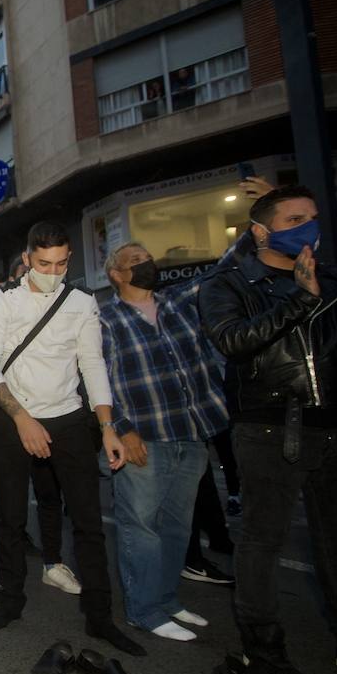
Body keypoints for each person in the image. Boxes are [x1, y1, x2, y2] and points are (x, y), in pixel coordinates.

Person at [200, 186, 337, 674]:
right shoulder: (229, 285)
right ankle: (263, 654)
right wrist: (301, 299)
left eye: (312, 217)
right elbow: (235, 343)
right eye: (294, 218)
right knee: (262, 541)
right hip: (268, 429)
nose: (308, 226)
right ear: (262, 231)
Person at [0, 221, 143, 655]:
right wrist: (23, 418)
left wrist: (107, 427)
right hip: (14, 418)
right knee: (10, 519)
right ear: (28, 259)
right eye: (44, 262)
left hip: (69, 419)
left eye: (62, 262)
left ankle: (100, 617)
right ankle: (11, 601)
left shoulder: (82, 303)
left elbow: (93, 365)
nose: (53, 270)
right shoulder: (2, 302)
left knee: (88, 522)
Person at [100, 242, 229, 642]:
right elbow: (99, 378)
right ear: (117, 275)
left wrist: (259, 229)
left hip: (191, 431)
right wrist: (122, 427)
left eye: (146, 258)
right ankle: (144, 610)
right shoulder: (105, 320)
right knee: (141, 527)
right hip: (144, 437)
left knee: (178, 526)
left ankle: (168, 598)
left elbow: (224, 269)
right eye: (134, 262)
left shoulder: (177, 303)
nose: (145, 265)